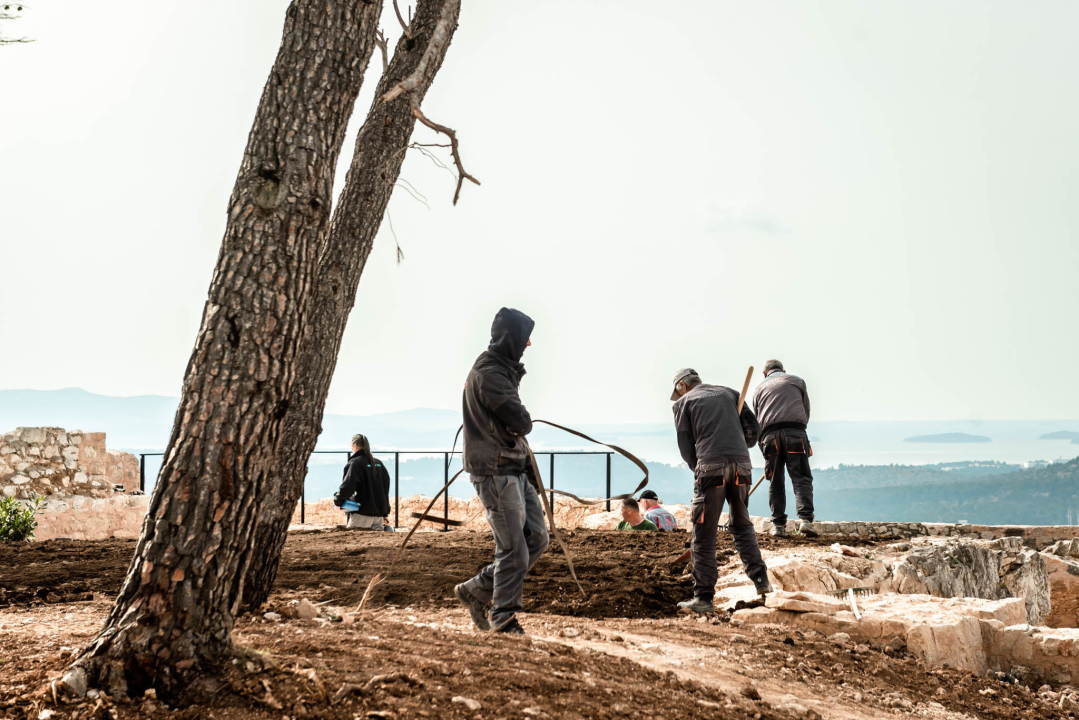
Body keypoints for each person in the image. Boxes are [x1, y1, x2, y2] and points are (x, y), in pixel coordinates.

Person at [455, 308, 549, 635]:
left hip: (512, 467)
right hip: (495, 471)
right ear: (512, 338)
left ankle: (476, 590)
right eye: (525, 337)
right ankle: (504, 618)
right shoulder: (491, 374)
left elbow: (515, 425)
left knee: (537, 538)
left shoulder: (501, 370)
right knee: (513, 549)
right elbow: (520, 421)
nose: (529, 344)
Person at [671, 368, 772, 613]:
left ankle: (703, 598)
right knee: (741, 524)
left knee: (704, 533)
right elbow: (753, 432)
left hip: (710, 468)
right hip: (741, 465)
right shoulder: (730, 393)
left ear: (682, 386)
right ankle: (761, 581)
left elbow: (686, 448)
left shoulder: (683, 403)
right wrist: (737, 438)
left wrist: (700, 469)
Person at [752, 359, 818, 538]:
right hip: (795, 433)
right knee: (801, 478)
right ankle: (805, 520)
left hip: (769, 437)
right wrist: (799, 432)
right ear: (783, 370)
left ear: (765, 374)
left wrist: (765, 452)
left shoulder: (758, 389)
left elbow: (757, 422)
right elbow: (806, 411)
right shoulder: (796, 381)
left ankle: (778, 526)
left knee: (775, 481)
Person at [333, 434, 391, 530]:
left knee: (354, 542)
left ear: (355, 445)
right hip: (379, 516)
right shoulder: (378, 463)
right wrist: (385, 512)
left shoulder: (355, 463)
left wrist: (338, 502)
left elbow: (348, 486)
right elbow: (385, 489)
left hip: (362, 514)